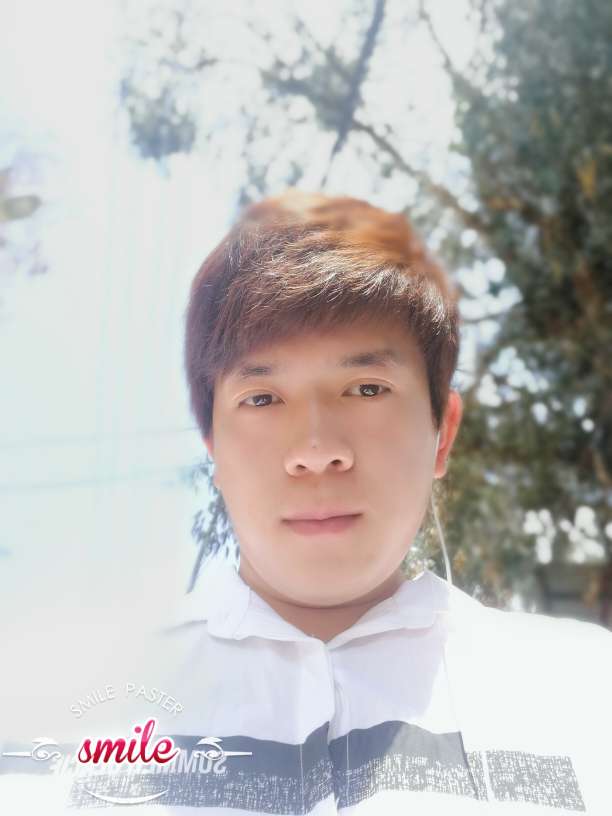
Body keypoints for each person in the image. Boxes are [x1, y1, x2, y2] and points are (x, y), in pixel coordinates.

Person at [2, 190, 610, 815]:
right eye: (262, 399)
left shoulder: (586, 692)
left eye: (366, 388)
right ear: (213, 447)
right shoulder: (44, 712)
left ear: (443, 433)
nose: (316, 451)